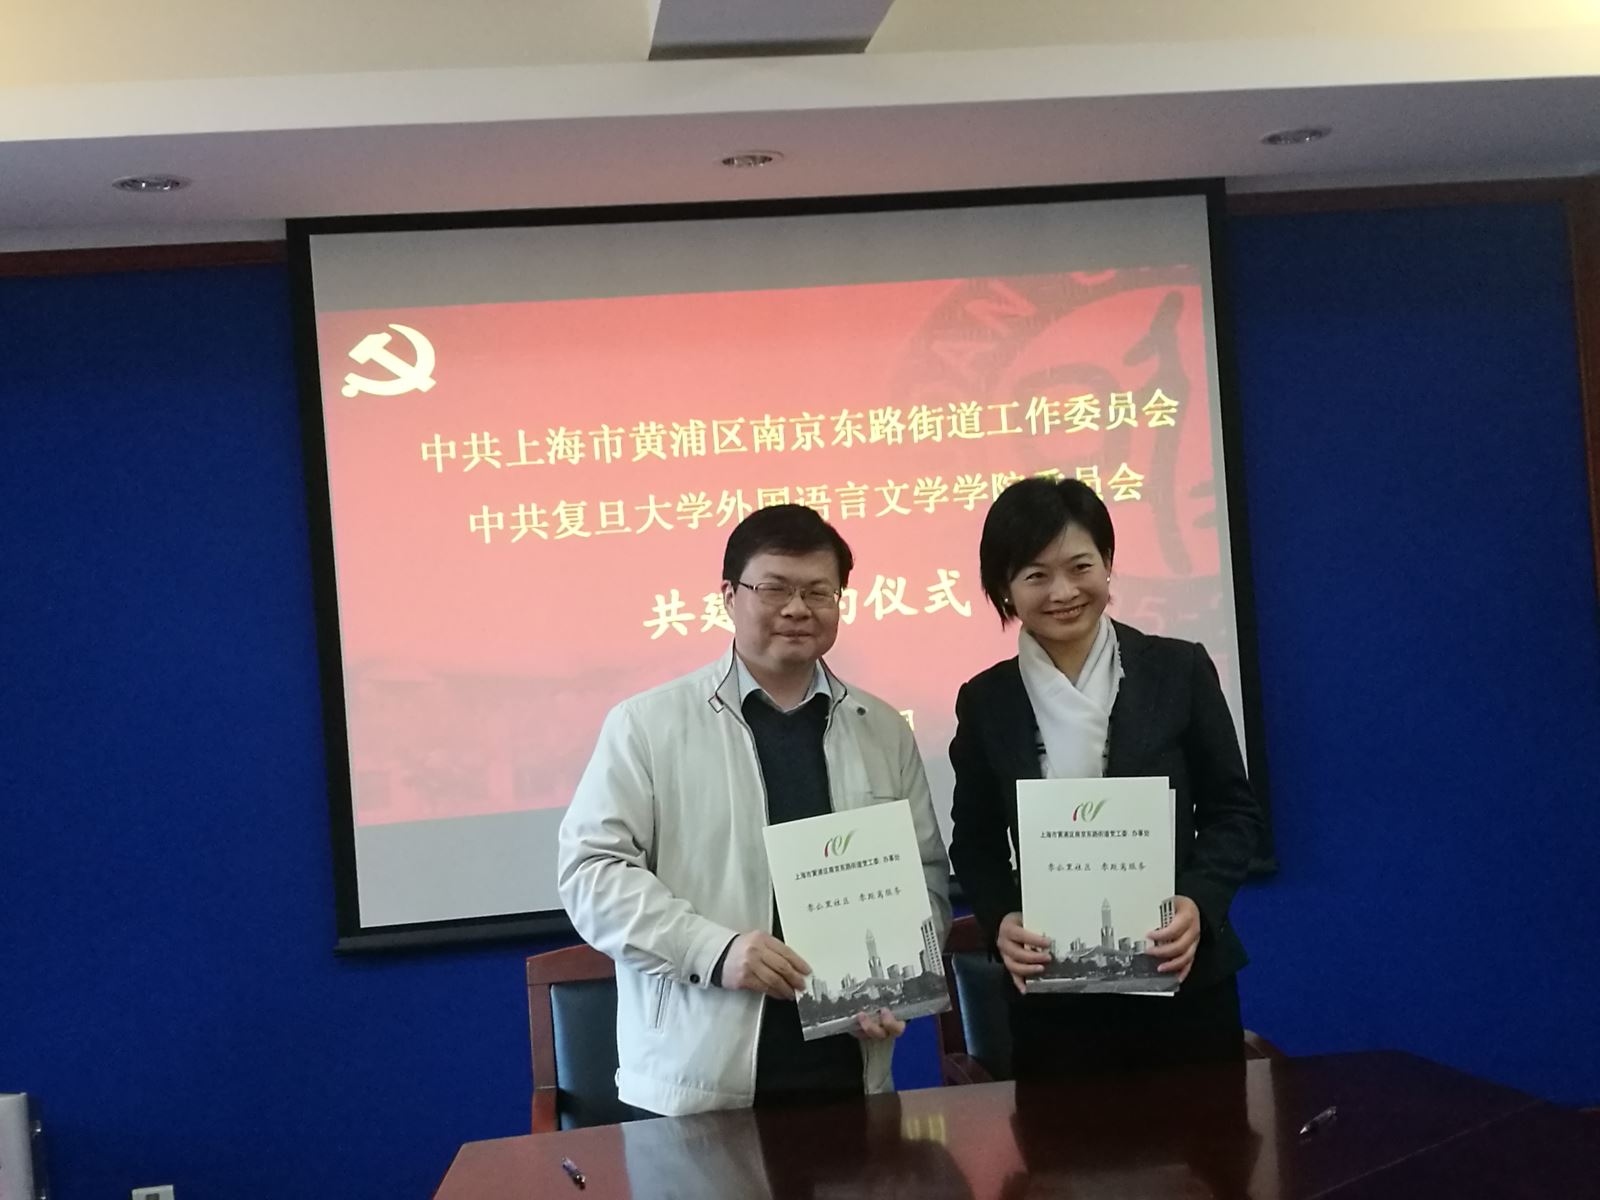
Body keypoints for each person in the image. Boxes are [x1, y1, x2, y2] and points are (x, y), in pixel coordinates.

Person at [559, 504, 951, 1116]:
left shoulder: (881, 729)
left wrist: (900, 978)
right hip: (697, 1082)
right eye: (774, 589)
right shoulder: (648, 724)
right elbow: (592, 873)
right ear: (729, 596)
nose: (798, 608)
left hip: (848, 1069)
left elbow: (924, 875)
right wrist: (711, 951)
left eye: (819, 591)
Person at [948, 478, 1262, 1078]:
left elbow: (1233, 811)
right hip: (1053, 1000)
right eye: (1036, 575)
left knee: (1208, 1138)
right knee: (1063, 1140)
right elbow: (975, 841)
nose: (1063, 592)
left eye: (1080, 567)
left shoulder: (1178, 669)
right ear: (1005, 588)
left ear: (1109, 563)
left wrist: (1199, 903)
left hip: (1182, 981)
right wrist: (1001, 918)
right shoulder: (987, 700)